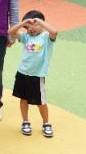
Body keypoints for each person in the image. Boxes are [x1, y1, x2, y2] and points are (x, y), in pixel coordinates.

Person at [8, 10, 58, 138]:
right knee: (23, 99)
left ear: (42, 24)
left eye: (34, 26)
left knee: (41, 102)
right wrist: (24, 22)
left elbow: (54, 32)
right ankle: (25, 122)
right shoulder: (26, 37)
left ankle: (46, 123)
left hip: (37, 76)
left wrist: (39, 21)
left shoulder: (46, 37)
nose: (30, 29)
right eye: (27, 28)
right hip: (22, 73)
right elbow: (11, 32)